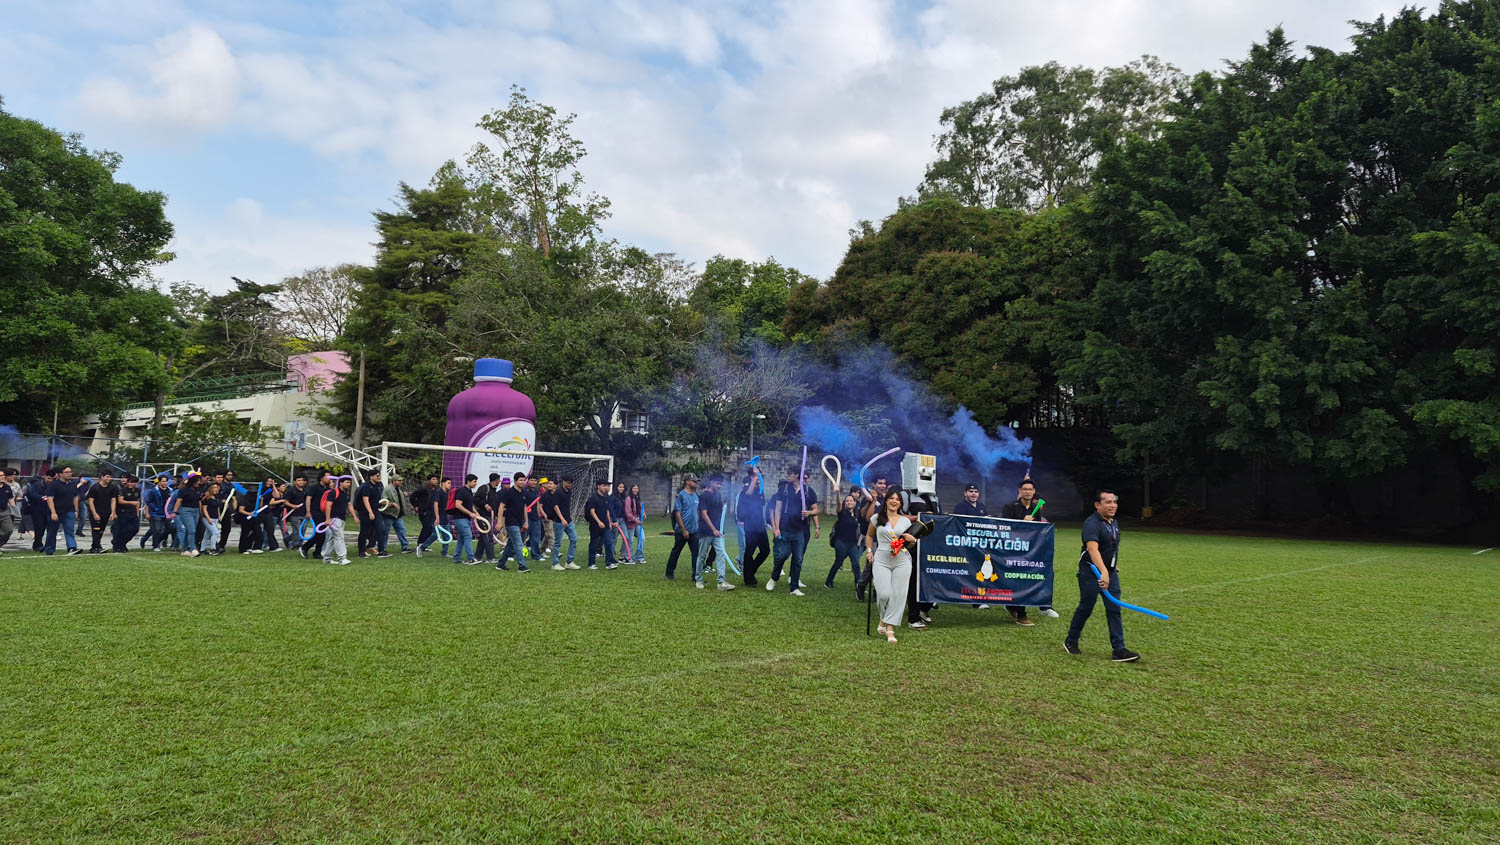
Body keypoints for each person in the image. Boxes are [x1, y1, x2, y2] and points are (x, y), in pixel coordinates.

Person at [1064, 490, 1140, 662]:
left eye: (1114, 502)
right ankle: (1071, 640)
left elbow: (1111, 546)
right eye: (1107, 502)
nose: (1112, 505)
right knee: (1086, 607)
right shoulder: (1091, 523)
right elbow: (1093, 549)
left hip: (1110, 573)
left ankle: (1119, 649)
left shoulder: (1114, 523)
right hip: (1091, 573)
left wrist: (1112, 566)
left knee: (1114, 609)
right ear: (1097, 505)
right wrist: (1103, 572)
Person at [952, 483, 1029, 624]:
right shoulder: (960, 507)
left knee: (982, 570)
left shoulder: (981, 506)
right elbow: (959, 525)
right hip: (968, 544)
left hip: (982, 546)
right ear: (965, 493)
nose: (973, 494)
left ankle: (981, 597)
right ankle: (975, 600)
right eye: (971, 491)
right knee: (971, 572)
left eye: (976, 491)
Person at [999, 478, 1059, 619]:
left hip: (1031, 550)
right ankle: (1017, 609)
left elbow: (1037, 531)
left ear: (1034, 492)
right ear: (1020, 491)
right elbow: (1004, 528)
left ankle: (1044, 605)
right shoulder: (1010, 507)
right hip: (1014, 549)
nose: (1027, 492)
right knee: (1017, 578)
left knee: (1044, 573)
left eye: (1030, 489)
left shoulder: (1035, 509)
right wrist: (1021, 522)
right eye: (1025, 489)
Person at [866, 489, 918, 643]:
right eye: (891, 498)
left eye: (897, 499)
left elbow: (909, 543)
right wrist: (869, 551)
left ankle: (890, 629)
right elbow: (869, 535)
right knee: (883, 594)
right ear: (886, 500)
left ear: (900, 503)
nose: (894, 501)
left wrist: (913, 540)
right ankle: (884, 620)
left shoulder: (905, 521)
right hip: (882, 558)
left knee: (898, 594)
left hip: (902, 560)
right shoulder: (877, 518)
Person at [768, 469, 819, 596]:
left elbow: (816, 510)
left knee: (798, 558)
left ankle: (794, 588)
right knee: (782, 555)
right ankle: (774, 577)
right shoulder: (784, 489)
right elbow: (778, 509)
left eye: (790, 474)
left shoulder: (808, 491)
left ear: (797, 475)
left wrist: (809, 513)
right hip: (785, 528)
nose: (788, 476)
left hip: (799, 530)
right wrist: (776, 528)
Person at [688, 476, 735, 590]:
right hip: (706, 531)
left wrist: (720, 529)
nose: (719, 486)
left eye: (720, 484)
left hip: (718, 532)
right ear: (711, 483)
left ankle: (721, 582)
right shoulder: (704, 496)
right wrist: (713, 529)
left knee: (721, 555)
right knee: (702, 556)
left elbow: (719, 513)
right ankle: (698, 579)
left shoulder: (718, 495)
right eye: (717, 483)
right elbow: (704, 514)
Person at [854, 476, 889, 600]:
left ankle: (877, 590)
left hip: (884, 536)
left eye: (884, 483)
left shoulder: (886, 499)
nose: (882, 486)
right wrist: (872, 501)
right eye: (880, 483)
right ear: (874, 484)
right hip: (872, 536)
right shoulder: (867, 498)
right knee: (872, 563)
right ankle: (861, 585)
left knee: (882, 564)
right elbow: (866, 517)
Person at [738, 468, 770, 586]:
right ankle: (748, 578)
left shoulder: (759, 490)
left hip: (760, 524)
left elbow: (761, 504)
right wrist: (755, 477)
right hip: (750, 525)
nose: (759, 478)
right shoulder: (746, 488)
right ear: (752, 476)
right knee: (750, 551)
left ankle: (751, 571)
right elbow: (748, 494)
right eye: (757, 476)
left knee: (765, 550)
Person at [664, 474, 700, 580]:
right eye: (693, 481)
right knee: (676, 551)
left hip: (694, 530)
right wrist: (684, 530)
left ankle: (696, 576)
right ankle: (669, 573)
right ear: (687, 482)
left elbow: (697, 511)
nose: (696, 483)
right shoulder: (681, 495)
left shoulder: (696, 496)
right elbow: (678, 513)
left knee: (696, 553)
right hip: (681, 531)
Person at [826, 493, 863, 590]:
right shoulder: (842, 513)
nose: (849, 502)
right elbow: (838, 503)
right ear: (845, 503)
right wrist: (838, 492)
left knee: (856, 564)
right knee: (838, 562)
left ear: (855, 503)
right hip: (841, 542)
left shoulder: (857, 515)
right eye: (847, 501)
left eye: (851, 501)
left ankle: (858, 585)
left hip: (853, 544)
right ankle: (828, 581)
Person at [495, 472, 531, 572]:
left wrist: (526, 521)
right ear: (515, 481)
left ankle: (501, 564)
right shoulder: (509, 493)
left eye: (524, 480)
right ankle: (522, 566)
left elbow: (524, 508)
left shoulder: (523, 493)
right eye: (520, 480)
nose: (522, 482)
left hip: (520, 521)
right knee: (519, 544)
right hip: (511, 522)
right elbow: (501, 507)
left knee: (510, 544)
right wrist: (499, 522)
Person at [42, 466, 81, 556]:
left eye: (70, 472)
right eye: (66, 472)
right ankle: (49, 549)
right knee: (52, 531)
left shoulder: (73, 484)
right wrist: (53, 512)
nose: (69, 474)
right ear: (60, 474)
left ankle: (72, 547)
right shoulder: (54, 485)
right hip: (56, 512)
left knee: (70, 530)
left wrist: (76, 510)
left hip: (69, 511)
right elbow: (50, 499)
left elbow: (75, 497)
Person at [584, 479, 617, 570]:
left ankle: (609, 563)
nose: (606, 487)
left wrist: (609, 522)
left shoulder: (606, 497)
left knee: (608, 542)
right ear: (598, 486)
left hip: (605, 525)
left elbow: (607, 511)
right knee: (594, 544)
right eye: (603, 485)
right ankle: (591, 564)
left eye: (607, 486)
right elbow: (592, 511)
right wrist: (599, 522)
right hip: (595, 525)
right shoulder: (593, 498)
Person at [547, 478, 579, 570]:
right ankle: (555, 563)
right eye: (568, 482)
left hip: (569, 520)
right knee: (558, 542)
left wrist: (567, 519)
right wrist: (562, 519)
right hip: (559, 521)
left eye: (571, 483)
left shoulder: (569, 491)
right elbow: (555, 506)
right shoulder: (558, 492)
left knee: (574, 539)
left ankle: (569, 561)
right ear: (563, 482)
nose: (569, 484)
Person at [321, 476, 354, 565]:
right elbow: (328, 505)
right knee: (339, 537)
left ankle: (327, 559)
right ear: (341, 483)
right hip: (334, 518)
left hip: (341, 518)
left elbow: (349, 504)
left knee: (332, 538)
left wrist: (354, 516)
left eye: (350, 483)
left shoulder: (345, 493)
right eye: (347, 482)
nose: (349, 484)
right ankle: (342, 558)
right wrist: (328, 519)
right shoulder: (333, 492)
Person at [449, 474, 480, 565]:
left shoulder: (469, 491)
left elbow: (470, 505)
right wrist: (470, 513)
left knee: (461, 539)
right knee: (468, 536)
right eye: (474, 481)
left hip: (466, 518)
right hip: (460, 518)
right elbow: (458, 505)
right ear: (468, 481)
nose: (476, 483)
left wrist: (476, 513)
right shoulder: (462, 491)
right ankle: (471, 558)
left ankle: (456, 558)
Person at [300, 471, 331, 560]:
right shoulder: (314, 488)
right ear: (321, 478)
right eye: (327, 477)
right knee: (320, 533)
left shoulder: (328, 489)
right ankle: (305, 547)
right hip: (315, 512)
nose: (329, 479)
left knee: (322, 534)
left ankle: (317, 552)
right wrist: (308, 511)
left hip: (324, 513)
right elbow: (308, 499)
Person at [355, 469, 385, 558]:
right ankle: (361, 552)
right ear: (371, 477)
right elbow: (365, 500)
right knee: (364, 531)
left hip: (376, 510)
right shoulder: (366, 486)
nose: (379, 477)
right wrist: (370, 512)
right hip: (365, 511)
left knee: (381, 530)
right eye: (377, 476)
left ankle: (381, 551)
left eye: (379, 475)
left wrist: (383, 503)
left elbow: (378, 498)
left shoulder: (379, 485)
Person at [83, 470, 115, 554]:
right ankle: (96, 547)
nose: (109, 478)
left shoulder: (112, 488)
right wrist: (94, 513)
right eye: (107, 476)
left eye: (110, 477)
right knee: (96, 529)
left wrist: (113, 512)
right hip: (96, 512)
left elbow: (113, 500)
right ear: (102, 477)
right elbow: (90, 501)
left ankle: (95, 546)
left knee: (101, 530)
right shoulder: (95, 487)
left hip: (106, 512)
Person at [170, 475, 203, 556]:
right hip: (186, 511)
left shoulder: (198, 490)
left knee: (189, 531)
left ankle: (184, 549)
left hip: (196, 511)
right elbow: (178, 501)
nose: (199, 482)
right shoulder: (184, 490)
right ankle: (192, 548)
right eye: (197, 481)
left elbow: (199, 501)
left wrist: (200, 511)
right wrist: (174, 512)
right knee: (192, 530)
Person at [380, 473, 411, 554]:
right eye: (399, 481)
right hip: (389, 514)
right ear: (394, 481)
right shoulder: (388, 489)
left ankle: (405, 547)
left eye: (401, 480)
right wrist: (392, 504)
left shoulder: (399, 489)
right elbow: (382, 501)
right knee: (385, 532)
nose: (401, 482)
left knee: (402, 530)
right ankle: (382, 549)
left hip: (398, 514)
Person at [108, 475, 140, 552]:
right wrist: (131, 503)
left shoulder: (138, 490)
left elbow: (137, 502)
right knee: (122, 530)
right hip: (123, 512)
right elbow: (120, 501)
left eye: (134, 482)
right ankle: (118, 545)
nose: (132, 484)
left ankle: (122, 543)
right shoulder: (123, 490)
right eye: (130, 482)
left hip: (133, 513)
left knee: (135, 529)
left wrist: (137, 512)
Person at [474, 473, 500, 563]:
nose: (499, 482)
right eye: (499, 480)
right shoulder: (484, 488)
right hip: (482, 516)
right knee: (488, 536)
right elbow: (476, 499)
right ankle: (491, 557)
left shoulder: (494, 491)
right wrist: (485, 505)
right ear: (496, 480)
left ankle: (478, 556)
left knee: (483, 537)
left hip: (489, 516)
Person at [27, 471, 54, 552]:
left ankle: (41, 544)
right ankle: (38, 544)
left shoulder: (53, 485)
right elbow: (31, 494)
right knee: (39, 527)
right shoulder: (37, 484)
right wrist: (41, 497)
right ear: (45, 476)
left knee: (45, 528)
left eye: (52, 479)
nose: (50, 480)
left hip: (48, 509)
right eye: (49, 478)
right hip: (37, 509)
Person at [412, 475, 439, 554]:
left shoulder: (437, 489)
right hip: (424, 511)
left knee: (430, 528)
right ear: (429, 480)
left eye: (436, 479)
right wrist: (415, 505)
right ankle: (420, 544)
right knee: (426, 527)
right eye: (433, 479)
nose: (436, 481)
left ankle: (424, 545)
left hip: (432, 511)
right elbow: (413, 496)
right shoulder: (423, 488)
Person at [623, 483, 647, 565]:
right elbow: (628, 513)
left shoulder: (637, 498)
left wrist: (643, 513)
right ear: (631, 489)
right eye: (634, 488)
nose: (635, 490)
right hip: (630, 522)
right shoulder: (628, 499)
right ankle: (629, 558)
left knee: (642, 538)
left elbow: (640, 508)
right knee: (630, 540)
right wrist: (636, 520)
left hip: (638, 521)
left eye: (637, 488)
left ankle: (640, 557)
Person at [199, 482, 224, 556]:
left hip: (215, 518)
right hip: (207, 518)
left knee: (207, 535)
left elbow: (217, 507)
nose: (216, 489)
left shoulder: (216, 497)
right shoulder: (206, 498)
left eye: (217, 488)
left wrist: (219, 515)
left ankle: (202, 549)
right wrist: (208, 518)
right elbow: (204, 509)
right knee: (215, 532)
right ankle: (213, 548)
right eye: (214, 488)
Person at [522, 476, 544, 560]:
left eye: (535, 480)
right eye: (532, 480)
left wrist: (538, 515)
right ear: (528, 481)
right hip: (526, 518)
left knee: (536, 538)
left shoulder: (536, 491)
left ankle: (536, 555)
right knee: (522, 537)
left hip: (536, 518)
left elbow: (537, 503)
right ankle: (511, 554)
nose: (533, 482)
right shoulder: (524, 491)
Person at [609, 481, 630, 562]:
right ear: (616, 487)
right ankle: (611, 557)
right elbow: (611, 509)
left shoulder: (623, 497)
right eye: (620, 487)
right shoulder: (612, 497)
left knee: (626, 538)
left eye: (623, 487)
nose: (622, 489)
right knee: (614, 538)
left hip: (622, 520)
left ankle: (623, 556)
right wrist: (614, 521)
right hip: (614, 520)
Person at [0, 468, 17, 553]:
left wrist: (15, 511)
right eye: (1, 475)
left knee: (9, 529)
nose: (3, 477)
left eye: (3, 475)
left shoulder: (7, 487)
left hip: (4, 511)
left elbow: (11, 499)